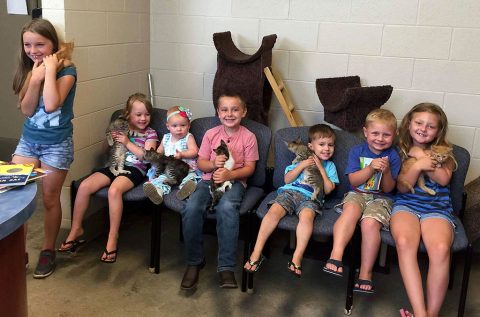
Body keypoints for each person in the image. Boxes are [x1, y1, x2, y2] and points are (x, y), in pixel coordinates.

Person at [11, 18, 77, 278]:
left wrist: (48, 72)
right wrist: (35, 77)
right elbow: (27, 109)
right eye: (28, 44)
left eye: (40, 44)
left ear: (53, 43)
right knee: (15, 195)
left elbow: (51, 105)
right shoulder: (29, 69)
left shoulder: (68, 71)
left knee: (50, 199)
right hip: (28, 141)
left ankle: (48, 250)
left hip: (56, 145)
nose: (33, 50)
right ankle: (17, 251)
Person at [58, 93, 158, 264]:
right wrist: (110, 137)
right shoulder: (122, 127)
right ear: (128, 114)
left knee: (114, 191)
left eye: (147, 114)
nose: (143, 118)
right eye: (138, 114)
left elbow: (147, 158)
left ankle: (112, 237)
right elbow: (105, 149)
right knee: (84, 186)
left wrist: (127, 142)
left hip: (135, 169)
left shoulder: (150, 133)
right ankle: (76, 229)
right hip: (113, 166)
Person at [180, 92, 258, 290]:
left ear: (244, 112)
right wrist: (214, 164)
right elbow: (201, 163)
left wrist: (228, 176)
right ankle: (194, 261)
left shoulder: (249, 137)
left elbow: (250, 168)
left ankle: (226, 266)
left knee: (227, 208)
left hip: (234, 183)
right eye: (224, 109)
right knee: (191, 208)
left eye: (235, 109)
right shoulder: (210, 134)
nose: (229, 114)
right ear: (218, 112)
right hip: (208, 181)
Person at [244, 124, 338, 277]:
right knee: (273, 212)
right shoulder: (298, 160)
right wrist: (302, 165)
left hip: (311, 198)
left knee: (307, 218)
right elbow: (287, 179)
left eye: (330, 145)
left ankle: (297, 256)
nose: (326, 148)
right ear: (310, 146)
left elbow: (328, 190)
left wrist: (321, 168)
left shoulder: (330, 166)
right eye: (321, 144)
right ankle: (256, 252)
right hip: (290, 192)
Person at [323, 108, 401, 294]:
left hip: (381, 198)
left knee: (369, 224)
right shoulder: (357, 151)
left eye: (386, 134)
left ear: (394, 135)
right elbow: (353, 181)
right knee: (350, 212)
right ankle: (336, 255)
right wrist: (371, 168)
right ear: (365, 132)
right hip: (357, 193)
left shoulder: (394, 156)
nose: (380, 138)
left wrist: (387, 171)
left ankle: (366, 273)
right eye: (375, 133)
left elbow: (390, 189)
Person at [392, 103, 457, 317]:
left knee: (440, 249)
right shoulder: (399, 150)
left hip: (437, 209)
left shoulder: (443, 151)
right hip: (406, 206)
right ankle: (421, 313)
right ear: (409, 123)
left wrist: (420, 156)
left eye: (431, 126)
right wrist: (418, 166)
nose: (423, 128)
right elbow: (401, 186)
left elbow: (444, 178)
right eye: (419, 122)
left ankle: (431, 314)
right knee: (404, 243)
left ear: (439, 132)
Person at [143, 105, 199, 204]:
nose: (179, 129)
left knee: (190, 178)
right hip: (167, 169)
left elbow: (195, 151)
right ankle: (158, 192)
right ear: (168, 126)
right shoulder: (166, 138)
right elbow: (159, 151)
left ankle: (185, 190)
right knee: (161, 179)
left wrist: (182, 154)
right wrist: (156, 156)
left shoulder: (188, 137)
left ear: (189, 125)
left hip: (185, 168)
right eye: (174, 126)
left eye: (183, 125)